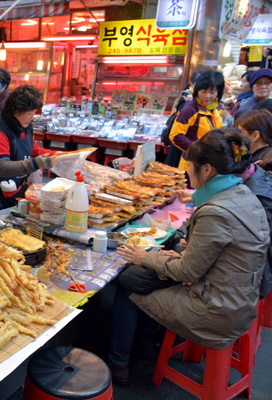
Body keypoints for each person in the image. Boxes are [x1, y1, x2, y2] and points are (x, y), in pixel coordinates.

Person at [109, 129, 269, 386]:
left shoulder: (216, 211)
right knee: (145, 274)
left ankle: (119, 364)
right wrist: (185, 249)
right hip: (238, 296)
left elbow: (187, 272)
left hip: (216, 310)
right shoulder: (242, 194)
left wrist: (145, 257)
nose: (187, 172)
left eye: (190, 167)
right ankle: (145, 349)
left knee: (128, 286)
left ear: (206, 170)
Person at [0, 85, 58, 215]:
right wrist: (36, 163)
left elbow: (32, 150)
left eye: (34, 113)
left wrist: (59, 156)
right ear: (17, 111)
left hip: (15, 185)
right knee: (1, 226)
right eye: (29, 113)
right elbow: (2, 167)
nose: (32, 117)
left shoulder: (23, 125)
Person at [169, 70, 224, 171]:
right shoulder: (190, 109)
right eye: (204, 92)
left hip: (210, 163)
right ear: (197, 90)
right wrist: (197, 150)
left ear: (218, 93)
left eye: (212, 92)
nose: (208, 96)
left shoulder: (217, 108)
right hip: (191, 165)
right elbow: (175, 135)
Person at [164, 70, 203, 167]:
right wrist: (196, 149)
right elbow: (175, 135)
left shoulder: (203, 105)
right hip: (181, 151)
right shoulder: (187, 102)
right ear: (192, 84)